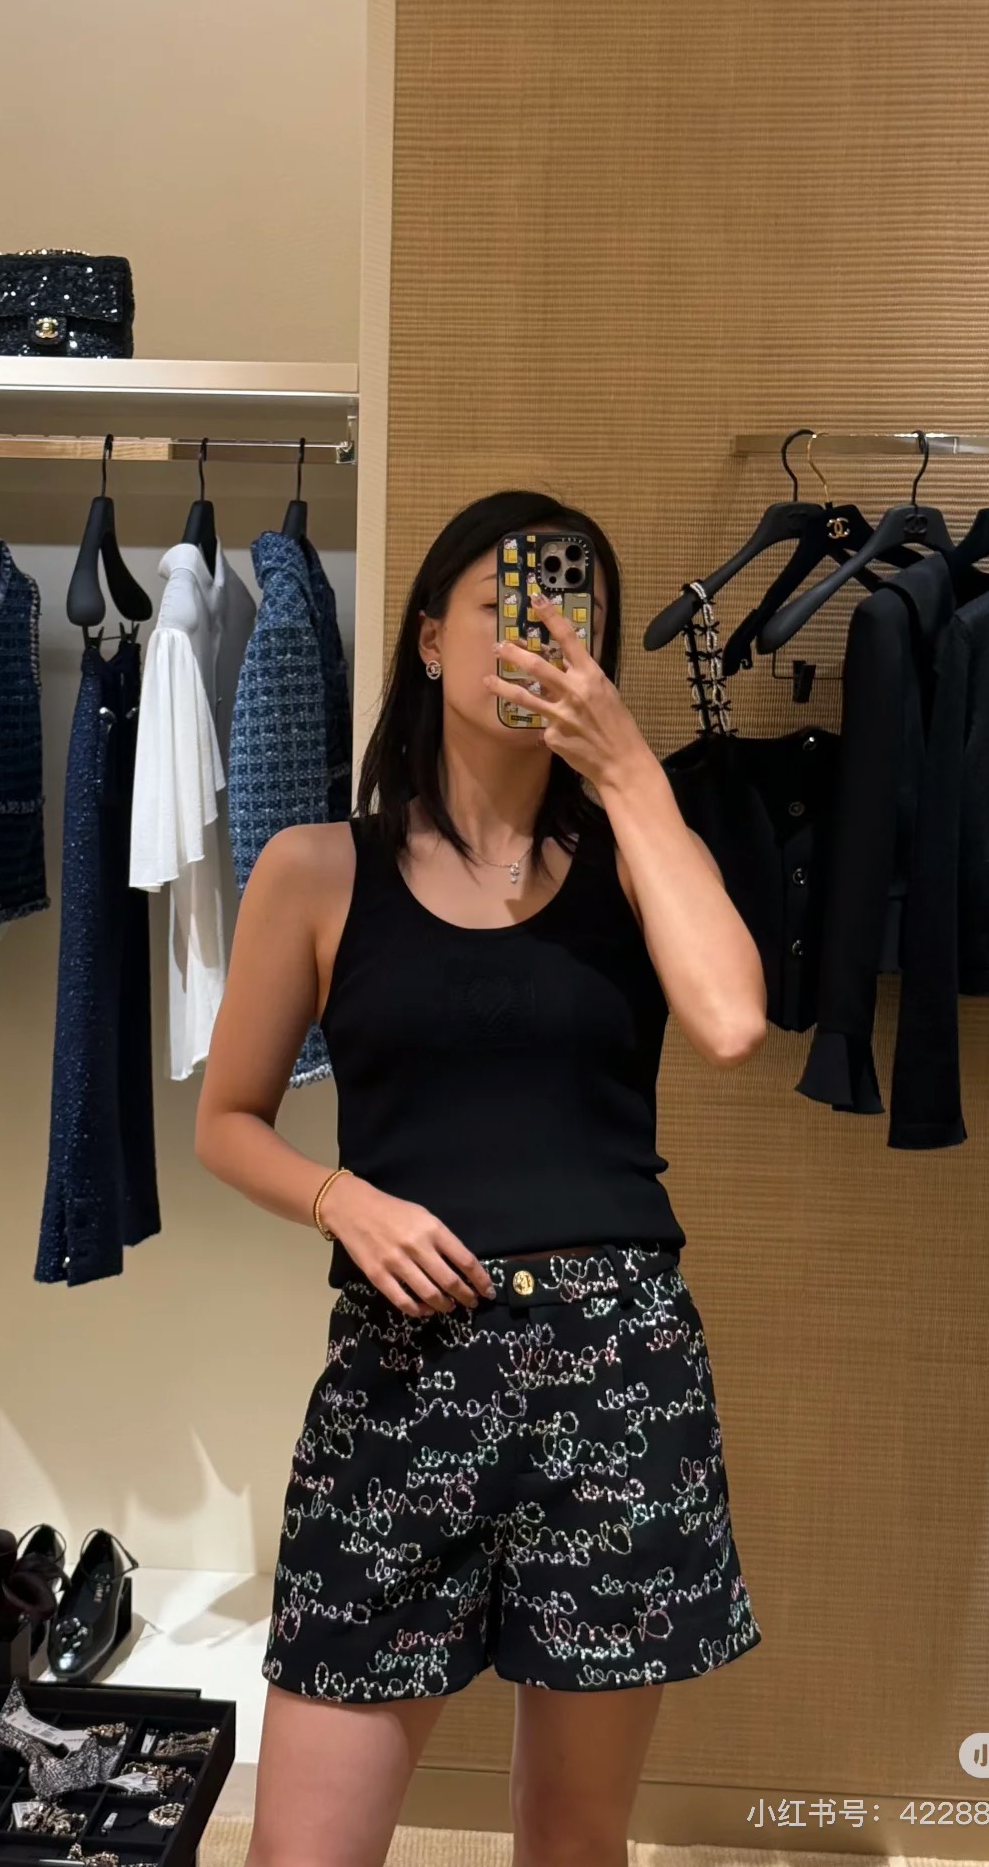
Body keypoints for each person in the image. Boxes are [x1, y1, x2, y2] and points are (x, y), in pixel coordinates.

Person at [195, 490, 768, 1867]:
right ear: (430, 638)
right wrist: (341, 1198)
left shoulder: (640, 861)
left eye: (576, 617)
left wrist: (632, 777)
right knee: (303, 1851)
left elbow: (734, 1022)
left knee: (572, 1838)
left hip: (618, 1378)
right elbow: (226, 1121)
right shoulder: (318, 870)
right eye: (511, 605)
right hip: (402, 1379)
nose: (543, 639)